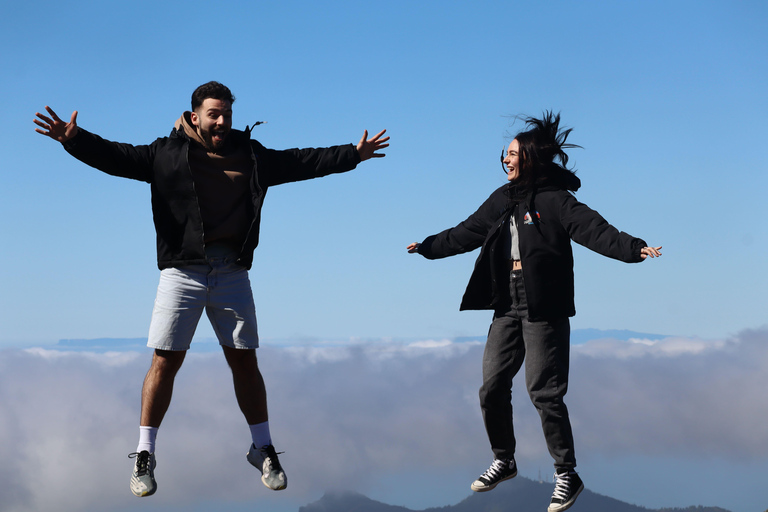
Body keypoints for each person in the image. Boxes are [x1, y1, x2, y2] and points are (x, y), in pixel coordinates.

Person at [34, 81, 389, 498]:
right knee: (165, 361)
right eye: (214, 114)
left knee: (244, 361)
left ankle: (262, 448)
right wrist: (73, 139)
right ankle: (145, 453)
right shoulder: (165, 154)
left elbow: (301, 161)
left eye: (227, 114)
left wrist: (353, 154)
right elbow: (116, 156)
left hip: (232, 271)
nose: (222, 122)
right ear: (194, 116)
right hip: (182, 272)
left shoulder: (251, 155)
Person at [407, 112, 660, 512]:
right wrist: (428, 246)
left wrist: (633, 248)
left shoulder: (556, 200)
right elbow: (467, 231)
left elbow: (594, 229)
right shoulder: (502, 198)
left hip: (544, 304)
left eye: (511, 154)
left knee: (544, 392)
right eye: (504, 154)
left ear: (529, 157)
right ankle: (504, 460)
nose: (505, 160)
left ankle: (566, 474)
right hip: (506, 302)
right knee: (492, 386)